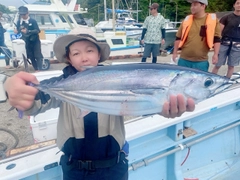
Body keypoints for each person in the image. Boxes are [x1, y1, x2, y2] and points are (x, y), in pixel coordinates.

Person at [4, 27, 195, 180]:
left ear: (98, 55)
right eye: (76, 53)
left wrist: (163, 109)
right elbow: (36, 102)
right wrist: (16, 92)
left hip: (114, 166)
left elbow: (141, 102)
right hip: (73, 168)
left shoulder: (119, 80)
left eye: (89, 50)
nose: (84, 57)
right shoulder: (62, 84)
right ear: (69, 58)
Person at [172, 0, 221, 72]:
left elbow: (216, 39)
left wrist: (216, 54)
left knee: (198, 83)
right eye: (191, 5)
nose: (192, 7)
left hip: (201, 62)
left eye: (195, 5)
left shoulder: (213, 21)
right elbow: (178, 38)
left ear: (203, 6)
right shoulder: (186, 20)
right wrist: (175, 52)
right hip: (183, 60)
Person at [212, 0, 240, 78]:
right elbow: (219, 32)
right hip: (224, 43)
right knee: (218, 64)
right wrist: (215, 44)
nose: (239, 5)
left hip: (237, 46)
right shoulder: (226, 17)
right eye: (237, 3)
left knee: (231, 66)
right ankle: (211, 80)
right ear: (234, 5)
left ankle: (227, 80)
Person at [14, 6, 43, 71]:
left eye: (24, 14)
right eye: (21, 14)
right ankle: (36, 69)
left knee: (37, 55)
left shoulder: (33, 21)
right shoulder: (19, 22)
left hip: (35, 41)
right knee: (31, 56)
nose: (23, 16)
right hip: (26, 41)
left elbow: (38, 30)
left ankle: (40, 69)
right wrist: (16, 30)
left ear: (28, 13)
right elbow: (18, 29)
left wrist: (28, 31)